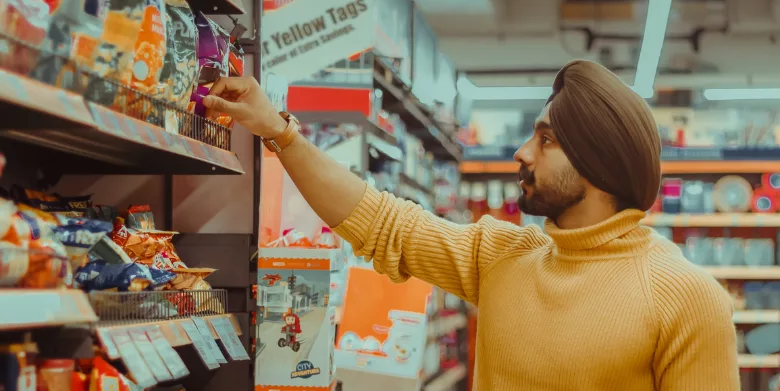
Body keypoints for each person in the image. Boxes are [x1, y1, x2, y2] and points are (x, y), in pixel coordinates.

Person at [204, 60, 739, 390]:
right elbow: (379, 219)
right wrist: (278, 131)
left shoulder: (686, 299)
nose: (521, 152)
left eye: (546, 140)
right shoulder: (502, 254)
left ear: (597, 165)